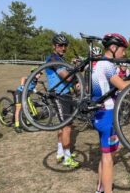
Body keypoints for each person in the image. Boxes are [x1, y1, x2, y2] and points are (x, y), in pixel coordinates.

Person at [93, 33, 130, 193]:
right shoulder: (107, 65)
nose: (124, 54)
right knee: (108, 158)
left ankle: (100, 187)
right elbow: (123, 86)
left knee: (107, 153)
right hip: (107, 114)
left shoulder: (98, 63)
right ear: (113, 48)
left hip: (99, 113)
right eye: (123, 50)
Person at [46, 34, 79, 168]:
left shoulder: (60, 58)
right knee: (66, 127)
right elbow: (67, 77)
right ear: (54, 46)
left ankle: (60, 152)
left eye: (65, 45)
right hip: (59, 95)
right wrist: (76, 72)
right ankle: (67, 157)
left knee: (64, 125)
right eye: (60, 45)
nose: (63, 48)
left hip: (65, 94)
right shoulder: (53, 58)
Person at [13, 67, 42, 133]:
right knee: (19, 108)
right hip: (19, 93)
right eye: (38, 73)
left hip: (25, 94)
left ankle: (28, 121)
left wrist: (35, 91)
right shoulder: (30, 77)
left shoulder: (35, 81)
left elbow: (33, 89)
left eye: (40, 73)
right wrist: (22, 85)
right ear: (34, 73)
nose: (40, 75)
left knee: (26, 107)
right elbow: (23, 78)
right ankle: (17, 125)